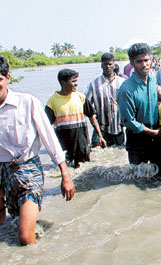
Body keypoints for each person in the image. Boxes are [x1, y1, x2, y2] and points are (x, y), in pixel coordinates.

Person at [0, 55, 75, 245]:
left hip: (28, 170)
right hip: (2, 171)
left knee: (25, 237)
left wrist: (65, 174)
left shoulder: (27, 102)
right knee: (6, 223)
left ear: (8, 77)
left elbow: (49, 138)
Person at [117, 43, 161, 176]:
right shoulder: (126, 89)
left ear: (151, 59)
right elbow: (128, 121)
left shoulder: (152, 79)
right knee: (139, 180)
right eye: (139, 61)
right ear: (132, 63)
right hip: (137, 140)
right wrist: (152, 132)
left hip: (157, 137)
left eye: (146, 60)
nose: (144, 64)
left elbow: (157, 106)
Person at [46, 69, 106, 168]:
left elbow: (92, 117)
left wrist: (100, 136)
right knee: (66, 168)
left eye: (76, 81)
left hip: (81, 142)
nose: (76, 84)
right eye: (73, 81)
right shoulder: (52, 101)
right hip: (64, 144)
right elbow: (46, 126)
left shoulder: (81, 97)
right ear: (63, 82)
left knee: (83, 168)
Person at [85, 53, 126, 147]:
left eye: (110, 64)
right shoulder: (94, 84)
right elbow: (86, 105)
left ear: (114, 65)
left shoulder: (122, 82)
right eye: (105, 64)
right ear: (101, 65)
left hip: (119, 128)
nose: (108, 66)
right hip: (101, 128)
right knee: (98, 156)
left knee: (119, 155)